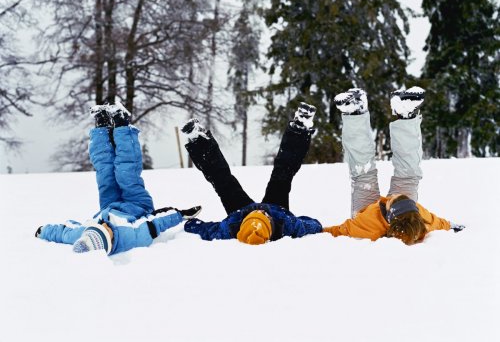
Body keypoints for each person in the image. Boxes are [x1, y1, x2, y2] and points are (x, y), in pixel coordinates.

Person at [35, 102, 201, 255]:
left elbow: (64, 233)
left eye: (98, 226)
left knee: (104, 171)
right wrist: (180, 214)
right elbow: (157, 222)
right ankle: (122, 124)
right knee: (125, 171)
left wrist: (43, 231)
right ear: (110, 240)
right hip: (137, 203)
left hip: (109, 204)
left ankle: (102, 125)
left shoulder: (85, 231)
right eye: (105, 230)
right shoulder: (132, 237)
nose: (104, 225)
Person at [323, 87, 465, 245]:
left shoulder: (365, 226)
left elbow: (334, 232)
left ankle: (355, 112)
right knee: (408, 175)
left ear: (389, 211)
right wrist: (453, 226)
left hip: (367, 214)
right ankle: (406, 114)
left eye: (392, 200)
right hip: (402, 214)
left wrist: (311, 230)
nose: (390, 197)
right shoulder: (422, 219)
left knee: (363, 174)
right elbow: (440, 223)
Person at [181, 103, 323, 245]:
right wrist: (315, 225)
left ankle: (197, 139)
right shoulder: (286, 223)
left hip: (241, 211)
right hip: (276, 209)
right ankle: (300, 127)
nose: (260, 211)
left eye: (257, 214)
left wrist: (192, 224)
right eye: (263, 215)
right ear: (270, 224)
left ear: (241, 226)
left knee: (223, 183)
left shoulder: (231, 227)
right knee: (282, 176)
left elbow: (209, 230)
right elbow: (311, 225)